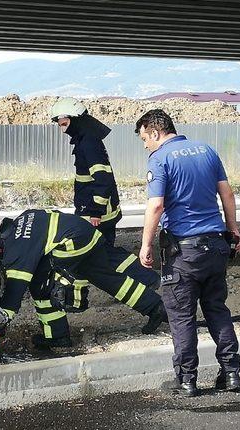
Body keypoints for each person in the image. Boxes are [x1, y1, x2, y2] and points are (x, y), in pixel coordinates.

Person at [135, 109, 240, 397]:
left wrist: (145, 245)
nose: (145, 144)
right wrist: (233, 231)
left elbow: (156, 206)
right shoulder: (207, 150)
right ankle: (231, 373)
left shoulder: (159, 159)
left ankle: (187, 380)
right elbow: (227, 195)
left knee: (181, 316)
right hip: (216, 245)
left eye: (145, 138)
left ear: (155, 133)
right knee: (217, 309)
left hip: (183, 252)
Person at [0, 209, 168, 352]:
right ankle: (157, 308)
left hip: (74, 243)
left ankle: (59, 334)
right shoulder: (24, 218)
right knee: (110, 279)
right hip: (85, 235)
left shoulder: (17, 249)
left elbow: (13, 295)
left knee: (42, 286)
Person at [48, 97, 161, 312]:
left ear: (76, 119)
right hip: (96, 212)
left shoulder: (88, 142)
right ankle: (143, 281)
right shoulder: (86, 139)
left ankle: (146, 280)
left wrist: (94, 211)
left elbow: (103, 179)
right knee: (100, 255)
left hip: (98, 214)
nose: (63, 131)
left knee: (96, 255)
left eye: (64, 124)